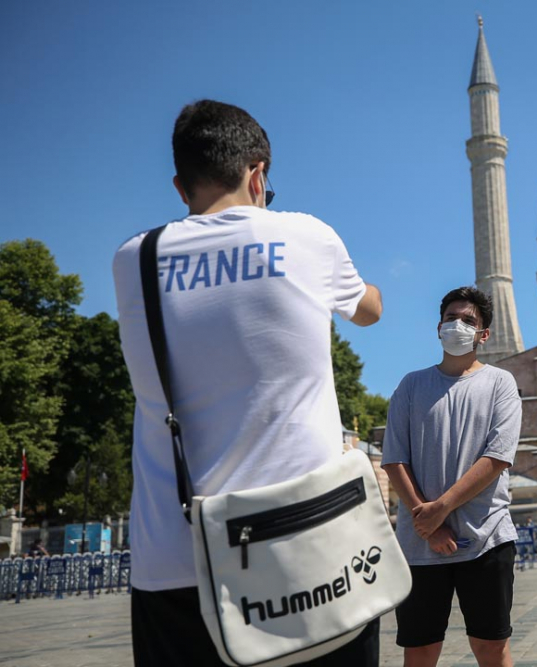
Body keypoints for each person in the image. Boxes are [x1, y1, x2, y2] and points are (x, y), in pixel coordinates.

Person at [113, 100, 383, 666]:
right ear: (258, 173)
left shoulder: (134, 259)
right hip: (310, 554)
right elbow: (369, 310)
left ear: (180, 185)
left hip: (178, 560)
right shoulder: (308, 237)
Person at [381, 287, 521, 667]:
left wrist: (440, 509)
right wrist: (427, 522)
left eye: (468, 320)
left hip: (485, 537)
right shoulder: (411, 385)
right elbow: (394, 458)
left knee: (491, 646)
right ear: (438, 327)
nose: (457, 325)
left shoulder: (500, 383)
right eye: (451, 318)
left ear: (483, 334)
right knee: (421, 650)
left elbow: (496, 458)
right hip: (421, 543)